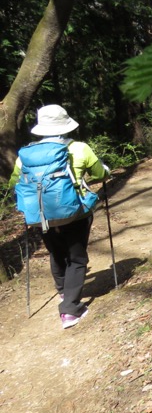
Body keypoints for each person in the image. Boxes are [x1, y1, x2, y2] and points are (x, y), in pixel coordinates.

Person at [9, 105, 109, 329]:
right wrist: (105, 170)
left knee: (56, 252)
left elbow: (13, 183)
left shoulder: (25, 155)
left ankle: (64, 293)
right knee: (77, 258)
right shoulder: (79, 148)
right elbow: (100, 174)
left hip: (41, 215)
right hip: (74, 213)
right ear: (65, 125)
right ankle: (70, 310)